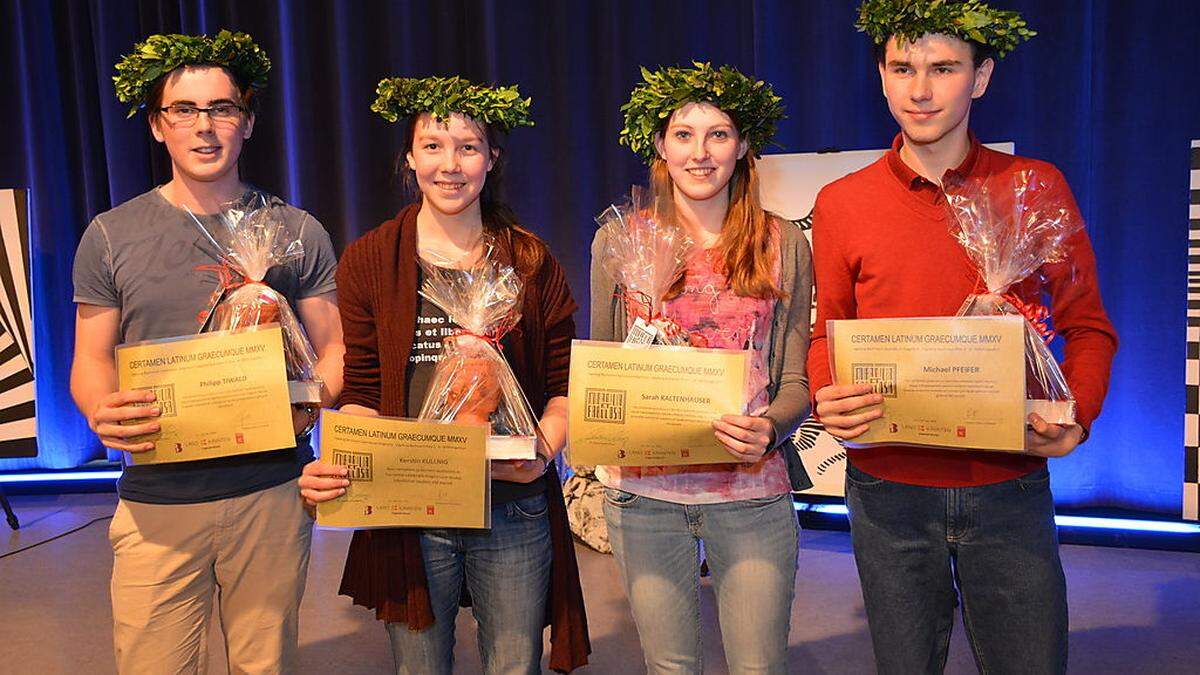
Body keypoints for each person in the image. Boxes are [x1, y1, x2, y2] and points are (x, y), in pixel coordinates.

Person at [808, 2, 1118, 673]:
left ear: (981, 77)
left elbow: (1088, 325)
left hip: (1006, 481)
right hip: (886, 487)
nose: (920, 89)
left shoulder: (1033, 186)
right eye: (903, 67)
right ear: (882, 77)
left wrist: (1077, 418)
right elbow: (825, 332)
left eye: (944, 67)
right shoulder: (841, 201)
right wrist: (824, 394)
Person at [71, 30, 343, 673]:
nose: (204, 127)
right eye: (183, 111)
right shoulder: (110, 235)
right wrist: (97, 410)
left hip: (272, 493)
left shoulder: (296, 231)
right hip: (157, 501)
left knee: (264, 664)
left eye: (221, 108)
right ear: (157, 127)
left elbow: (334, 349)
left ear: (246, 123)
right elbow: (89, 359)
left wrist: (312, 402)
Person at [298, 75, 589, 675]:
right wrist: (348, 455)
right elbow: (361, 390)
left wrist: (544, 451)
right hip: (412, 501)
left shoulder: (531, 262)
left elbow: (562, 386)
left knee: (514, 663)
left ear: (492, 159)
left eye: (468, 146)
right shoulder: (372, 258)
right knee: (418, 665)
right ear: (410, 157)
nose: (450, 164)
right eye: (433, 145)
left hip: (512, 500)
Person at [591, 62, 812, 674]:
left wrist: (771, 427)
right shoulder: (620, 243)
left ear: (743, 146)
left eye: (719, 134)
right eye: (683, 135)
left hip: (750, 490)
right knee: (669, 667)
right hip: (643, 496)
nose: (701, 153)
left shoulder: (782, 242)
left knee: (758, 666)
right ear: (660, 145)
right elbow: (602, 370)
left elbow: (795, 381)